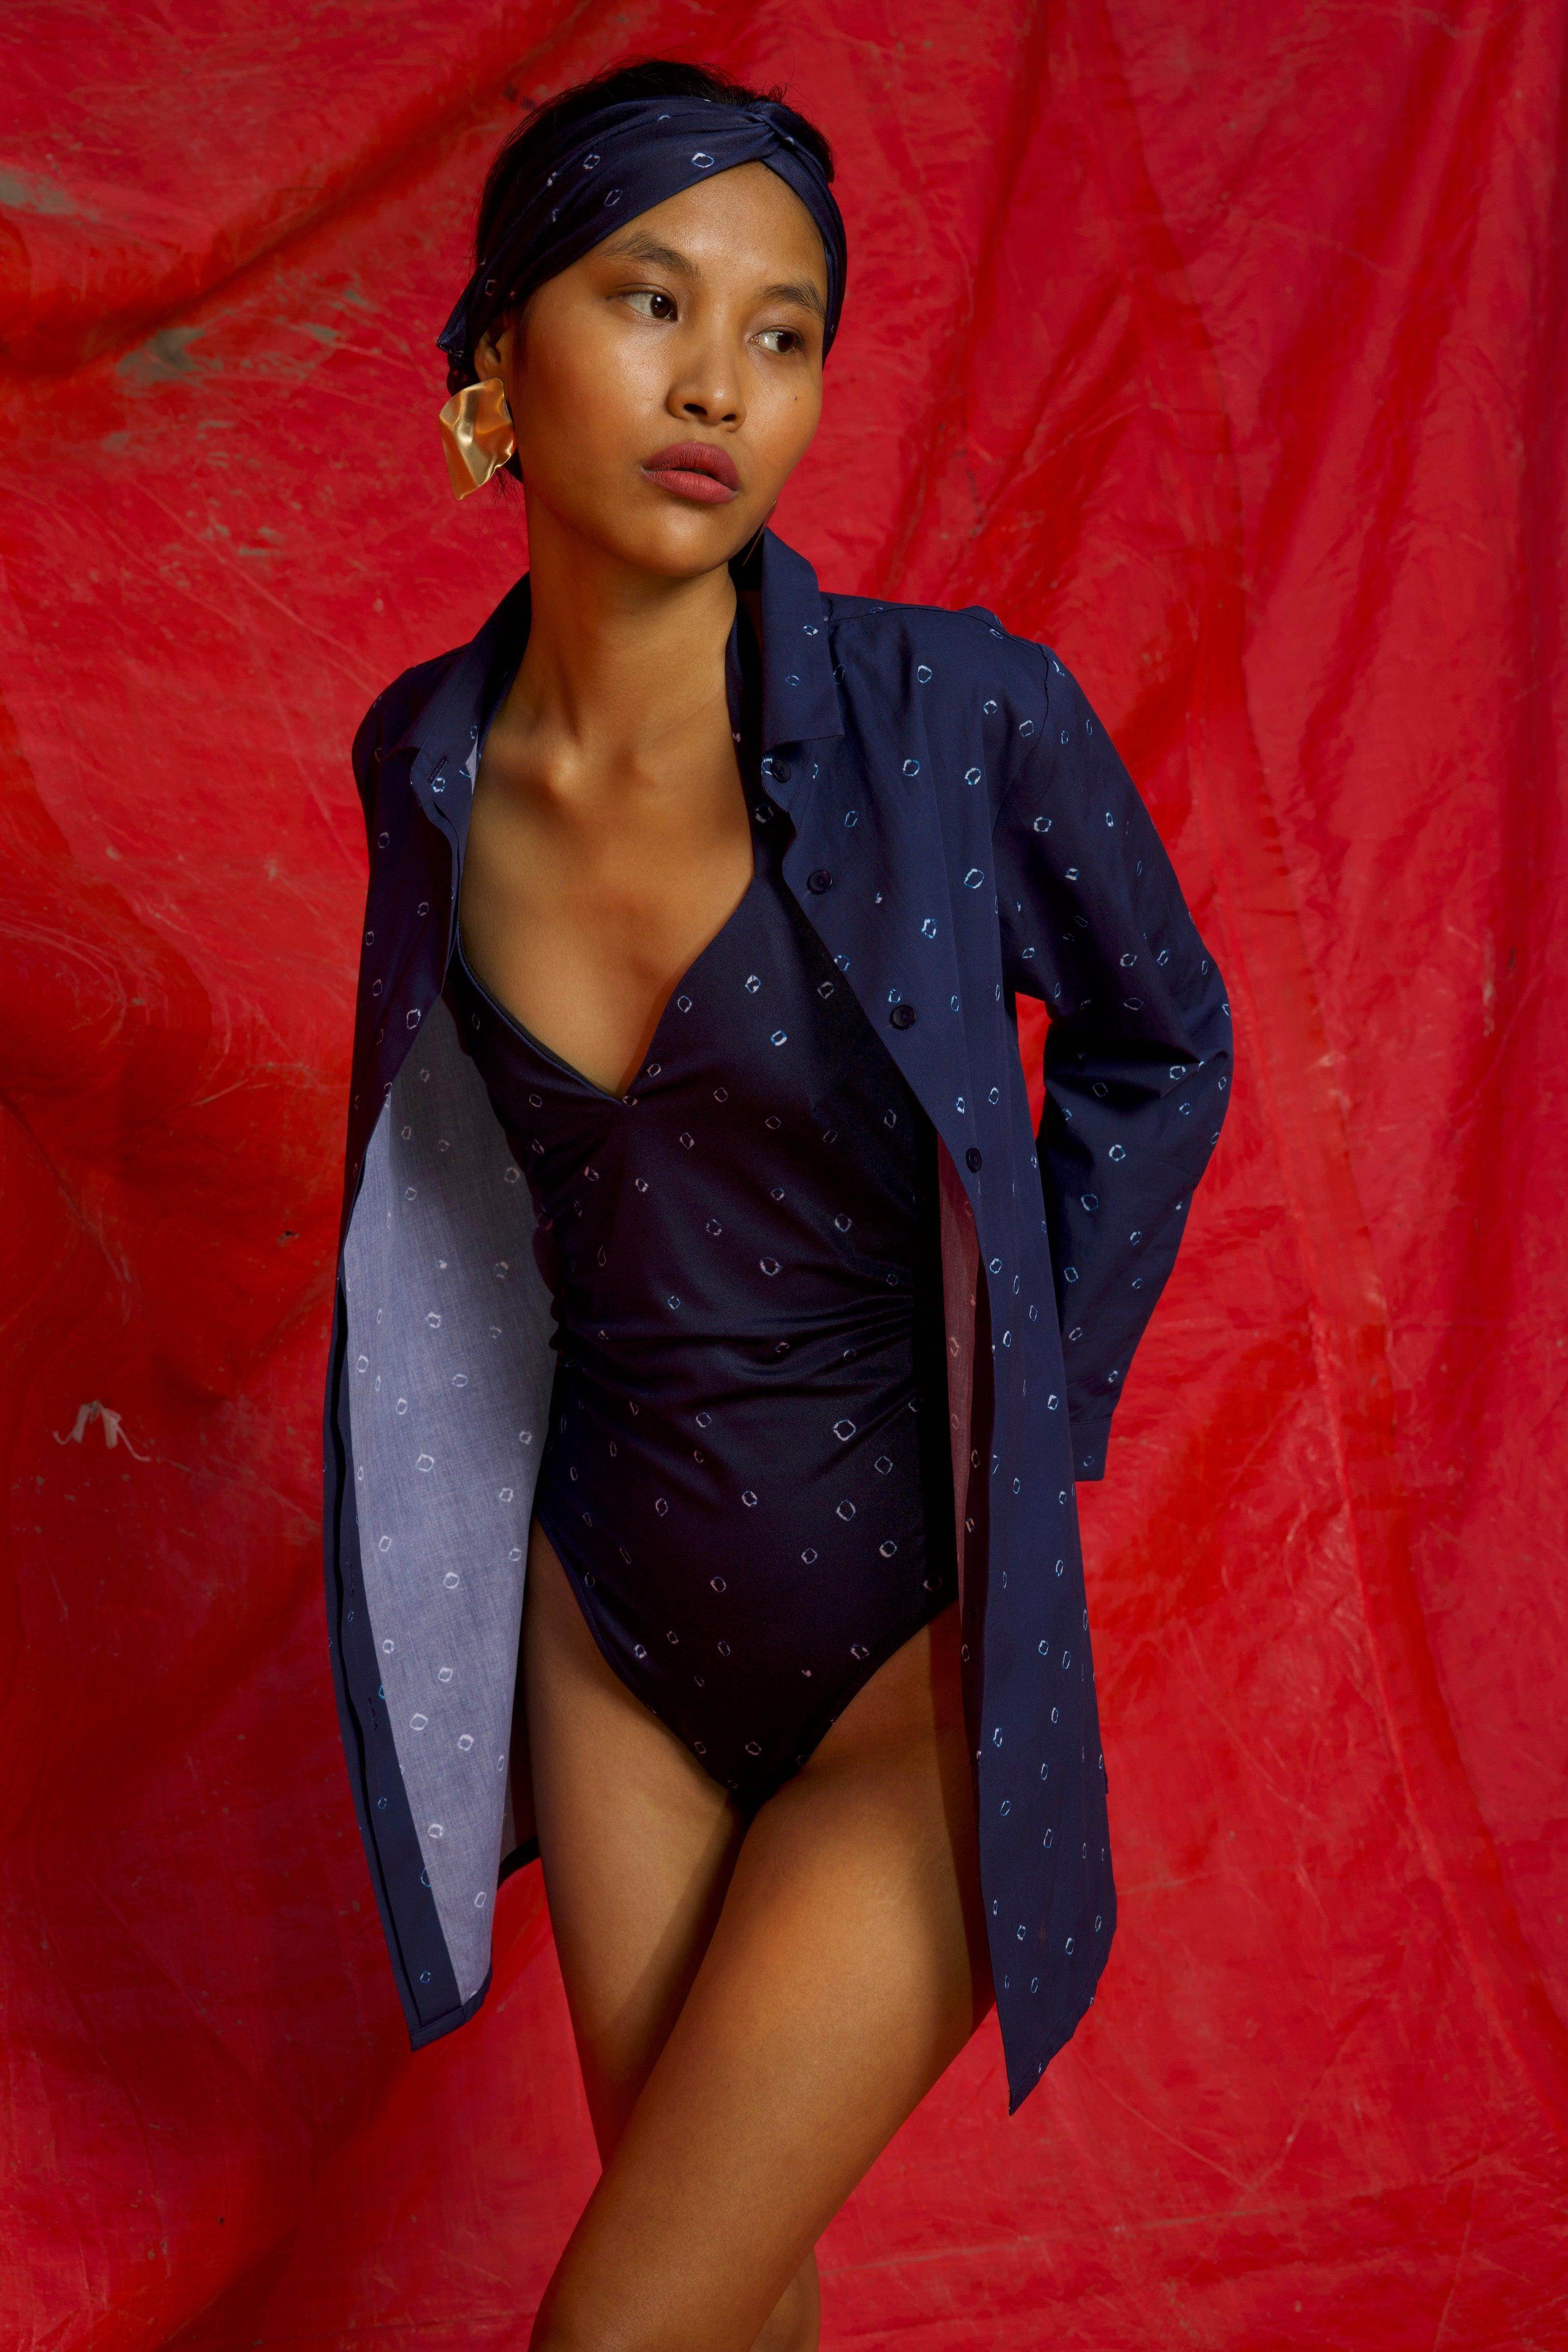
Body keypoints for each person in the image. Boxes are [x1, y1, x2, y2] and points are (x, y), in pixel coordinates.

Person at [322, 54, 1232, 2352]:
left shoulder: (957, 716)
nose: (720, 383)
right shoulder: (423, 764)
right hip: (607, 1640)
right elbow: (447, 1202)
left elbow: (1167, 1040)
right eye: (650, 300)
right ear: (496, 353)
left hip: (910, 1664)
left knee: (618, 2330)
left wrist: (1038, 1399)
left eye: (785, 328)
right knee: (723, 2302)